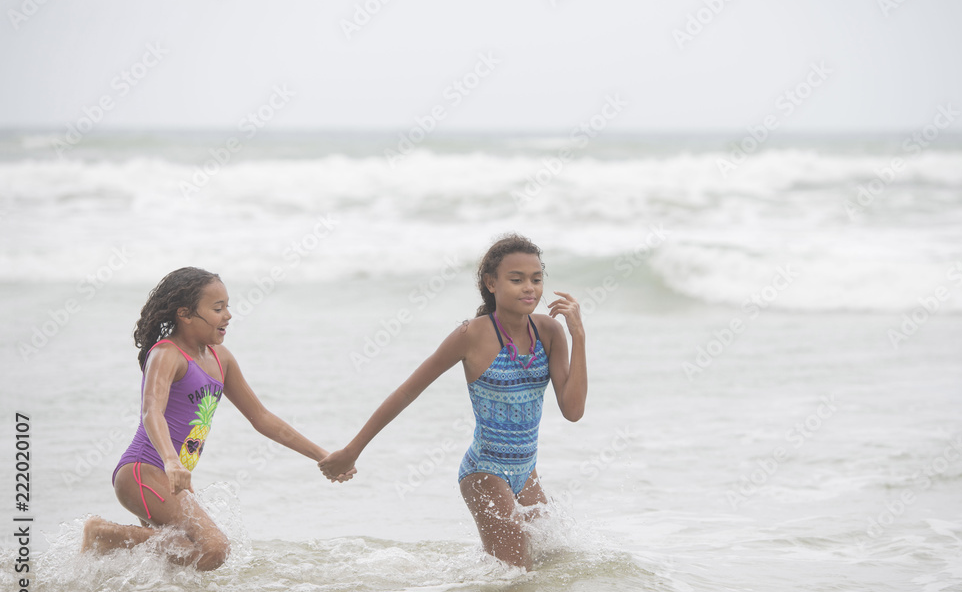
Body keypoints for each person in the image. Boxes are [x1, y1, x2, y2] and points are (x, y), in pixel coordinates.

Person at [319, 234, 587, 570]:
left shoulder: (549, 332)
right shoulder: (471, 335)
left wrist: (579, 336)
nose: (529, 288)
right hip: (484, 471)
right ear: (491, 283)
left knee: (557, 561)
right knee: (516, 573)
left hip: (526, 473)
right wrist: (352, 450)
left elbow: (573, 411)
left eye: (536, 279)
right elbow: (407, 392)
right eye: (516, 280)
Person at [82, 267, 354, 570]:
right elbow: (151, 411)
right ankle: (102, 535)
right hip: (143, 472)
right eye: (217, 308)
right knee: (215, 548)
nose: (228, 315)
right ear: (185, 314)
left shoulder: (221, 359)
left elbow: (262, 417)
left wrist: (323, 456)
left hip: (172, 479)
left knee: (184, 554)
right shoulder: (166, 354)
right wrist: (172, 461)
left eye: (227, 306)